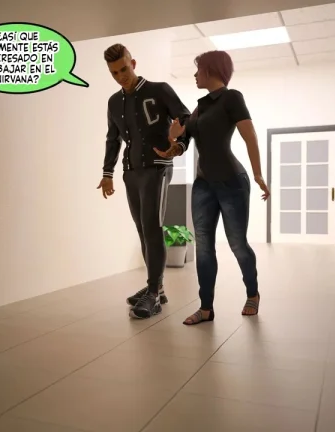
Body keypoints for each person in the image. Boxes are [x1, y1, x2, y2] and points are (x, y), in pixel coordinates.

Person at [156, 50, 270, 325]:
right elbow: (183, 143)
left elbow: (250, 136)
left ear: (211, 70)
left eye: (199, 70)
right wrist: (172, 143)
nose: (195, 75)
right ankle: (206, 308)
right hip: (203, 185)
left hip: (232, 182)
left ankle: (252, 294)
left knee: (237, 243)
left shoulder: (232, 98)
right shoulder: (199, 107)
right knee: (204, 247)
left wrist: (258, 174)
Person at [97, 43, 192, 319]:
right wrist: (107, 173)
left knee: (152, 228)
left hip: (157, 167)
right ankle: (157, 288)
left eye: (124, 69)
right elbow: (113, 139)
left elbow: (186, 118)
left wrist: (179, 145)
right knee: (142, 230)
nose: (120, 77)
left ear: (133, 64)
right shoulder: (114, 102)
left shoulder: (159, 90)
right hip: (131, 172)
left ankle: (153, 294)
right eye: (114, 73)